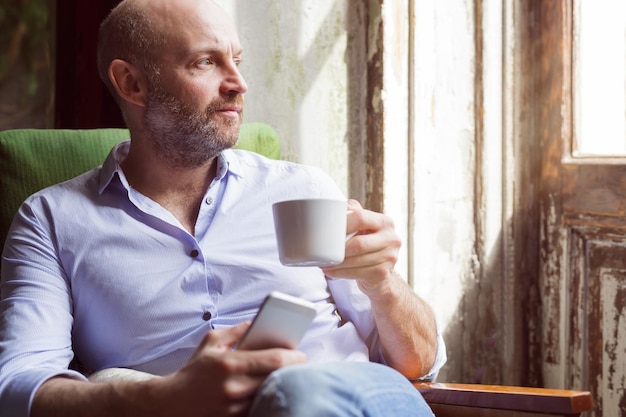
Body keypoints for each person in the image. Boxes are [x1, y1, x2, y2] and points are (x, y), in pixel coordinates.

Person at [0, 0, 446, 416]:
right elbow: (19, 384)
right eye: (206, 62)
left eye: (237, 59)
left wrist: (383, 284)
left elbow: (419, 363)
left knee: (296, 391)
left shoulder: (302, 188)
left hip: (355, 397)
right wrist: (164, 395)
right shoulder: (51, 220)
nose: (238, 83)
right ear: (131, 83)